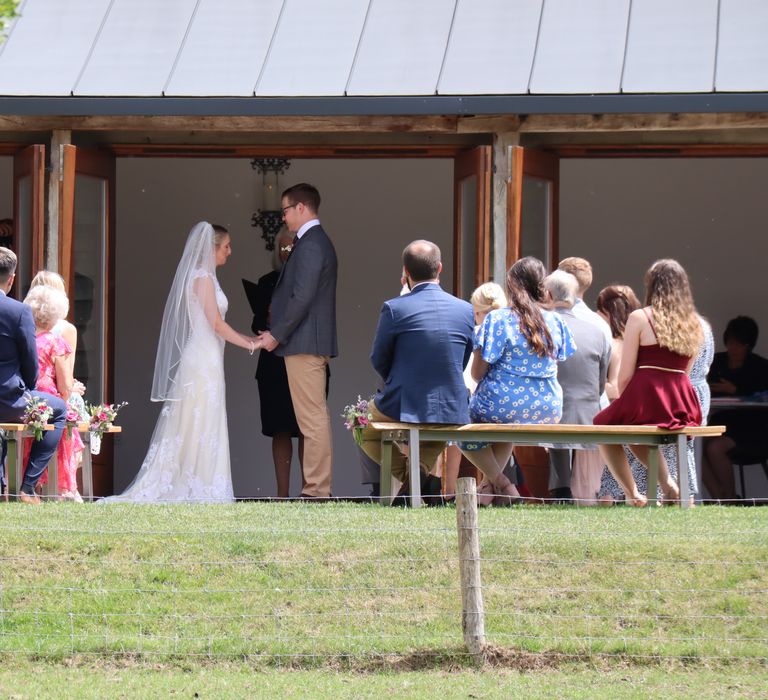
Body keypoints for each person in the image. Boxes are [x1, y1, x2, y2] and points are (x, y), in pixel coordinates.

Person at [104, 223, 256, 503]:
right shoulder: (202, 278)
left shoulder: (206, 277)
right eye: (226, 247)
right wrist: (250, 343)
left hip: (207, 356)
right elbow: (216, 324)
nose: (230, 252)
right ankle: (193, 484)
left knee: (202, 418)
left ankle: (201, 481)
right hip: (201, 358)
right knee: (196, 418)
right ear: (211, 248)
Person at [359, 240, 474, 499]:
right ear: (440, 268)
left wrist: (397, 380)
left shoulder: (394, 307)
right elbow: (463, 359)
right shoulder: (465, 310)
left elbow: (378, 358)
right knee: (438, 429)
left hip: (403, 400)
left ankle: (412, 480)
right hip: (450, 402)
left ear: (405, 273)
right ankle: (420, 477)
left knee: (359, 425)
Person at [460, 257, 576, 502]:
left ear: (511, 285)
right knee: (506, 426)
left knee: (459, 427)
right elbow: (562, 359)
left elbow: (476, 374)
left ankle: (503, 483)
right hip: (547, 407)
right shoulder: (556, 320)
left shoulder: (498, 319)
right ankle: (487, 490)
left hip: (502, 403)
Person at [593, 259, 703, 507]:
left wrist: (625, 399)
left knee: (603, 426)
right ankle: (669, 486)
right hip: (682, 399)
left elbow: (625, 374)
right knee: (630, 429)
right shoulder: (694, 323)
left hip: (647, 394)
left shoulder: (640, 317)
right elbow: (686, 368)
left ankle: (634, 493)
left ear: (652, 285)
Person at [257, 184, 338, 500]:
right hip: (306, 340)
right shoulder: (310, 242)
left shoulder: (312, 243)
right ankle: (318, 487)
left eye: (286, 210)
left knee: (311, 418)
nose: (283, 217)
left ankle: (317, 489)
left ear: (302, 208)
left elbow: (302, 296)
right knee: (312, 417)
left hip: (305, 342)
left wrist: (277, 334)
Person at [0, 247, 66, 504]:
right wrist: (27, 389)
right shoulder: (18, 312)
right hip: (8, 401)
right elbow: (30, 361)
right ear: (12, 279)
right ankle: (27, 488)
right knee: (59, 409)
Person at [544, 271, 611, 504]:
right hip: (588, 410)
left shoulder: (542, 328)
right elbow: (600, 383)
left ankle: (561, 487)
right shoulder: (597, 329)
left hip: (550, 411)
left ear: (547, 294)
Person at [251, 229, 304, 498]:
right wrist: (269, 318)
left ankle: (312, 491)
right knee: (280, 428)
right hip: (273, 364)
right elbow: (257, 324)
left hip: (305, 358)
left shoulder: (311, 281)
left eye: (293, 248)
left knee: (307, 427)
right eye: (283, 249)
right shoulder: (267, 282)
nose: (288, 253)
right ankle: (282, 494)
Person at [22, 284, 85, 501]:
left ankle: (32, 485)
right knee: (67, 431)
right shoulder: (56, 342)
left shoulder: (24, 339)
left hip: (25, 398)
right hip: (49, 399)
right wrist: (65, 398)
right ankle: (59, 490)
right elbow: (65, 384)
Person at [703, 316, 768, 500]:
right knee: (694, 448)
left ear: (749, 345)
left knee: (715, 448)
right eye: (731, 343)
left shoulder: (760, 366)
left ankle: (730, 498)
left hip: (750, 428)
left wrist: (735, 390)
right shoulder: (717, 362)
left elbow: (761, 394)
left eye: (740, 345)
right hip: (719, 423)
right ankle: (720, 498)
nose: (734, 349)